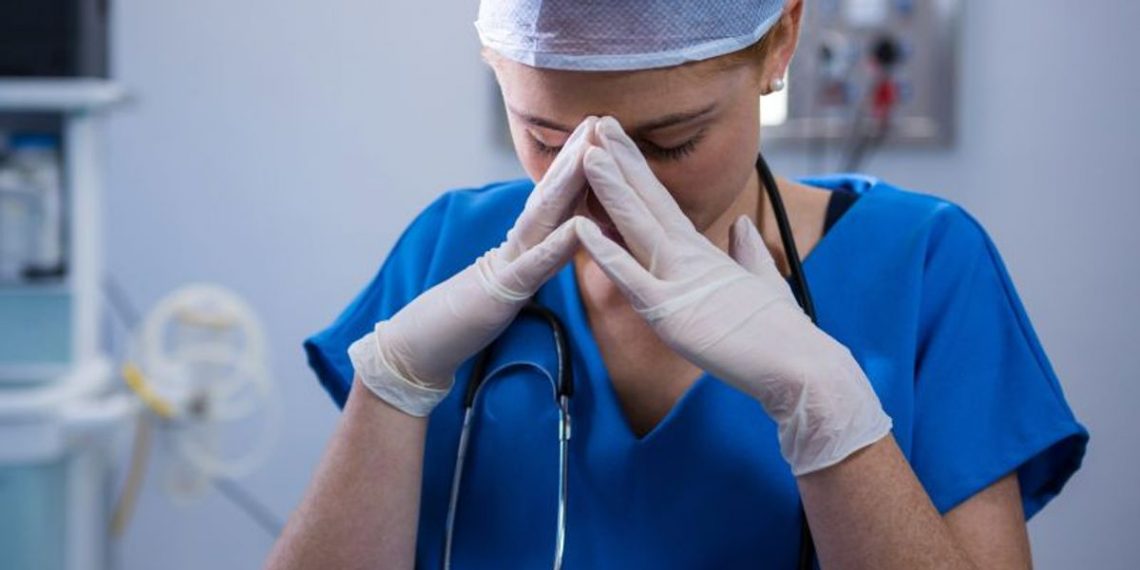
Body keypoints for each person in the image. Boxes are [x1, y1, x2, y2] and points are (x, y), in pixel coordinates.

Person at [267, 1, 1088, 568]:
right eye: (547, 138)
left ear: (781, 42)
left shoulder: (923, 264)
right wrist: (391, 384)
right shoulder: (448, 249)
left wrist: (830, 412)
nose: (603, 192)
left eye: (669, 144)